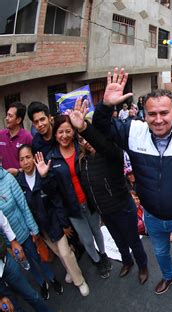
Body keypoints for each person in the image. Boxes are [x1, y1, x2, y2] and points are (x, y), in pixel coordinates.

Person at [92, 68, 172, 302]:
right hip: (152, 216)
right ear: (143, 113)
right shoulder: (133, 131)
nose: (158, 119)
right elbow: (101, 127)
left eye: (164, 113)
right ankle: (169, 276)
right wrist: (105, 106)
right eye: (152, 114)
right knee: (160, 252)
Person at [68, 99, 149, 284]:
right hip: (104, 211)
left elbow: (102, 144)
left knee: (133, 240)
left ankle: (142, 265)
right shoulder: (83, 161)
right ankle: (127, 262)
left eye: (89, 138)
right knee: (119, 241)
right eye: (81, 139)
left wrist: (85, 129)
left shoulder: (111, 153)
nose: (86, 142)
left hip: (122, 207)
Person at [17, 145, 87, 297]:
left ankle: (80, 281)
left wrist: (64, 223)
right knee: (58, 253)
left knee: (65, 252)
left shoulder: (43, 172)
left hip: (54, 221)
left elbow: (56, 199)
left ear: (34, 157)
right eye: (21, 159)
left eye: (28, 157)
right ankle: (71, 271)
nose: (26, 162)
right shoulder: (20, 181)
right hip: (41, 228)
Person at [46, 115, 111, 279]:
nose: (64, 135)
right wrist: (45, 176)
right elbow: (53, 193)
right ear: (55, 134)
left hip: (89, 202)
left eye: (68, 131)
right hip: (72, 209)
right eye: (60, 132)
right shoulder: (51, 159)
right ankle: (96, 260)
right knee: (87, 239)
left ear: (74, 132)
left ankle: (103, 254)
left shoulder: (82, 148)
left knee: (97, 231)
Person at [0, 165, 64, 301]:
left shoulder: (8, 179)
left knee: (37, 257)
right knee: (26, 263)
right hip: (9, 240)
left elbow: (23, 206)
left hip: (24, 230)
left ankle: (52, 278)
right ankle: (42, 282)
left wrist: (33, 229)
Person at [0, 102, 32, 176]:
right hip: (5, 182)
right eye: (7, 115)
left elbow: (33, 162)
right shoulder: (1, 135)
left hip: (22, 181)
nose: (7, 118)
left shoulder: (27, 137)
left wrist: (18, 171)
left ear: (18, 120)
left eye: (10, 116)